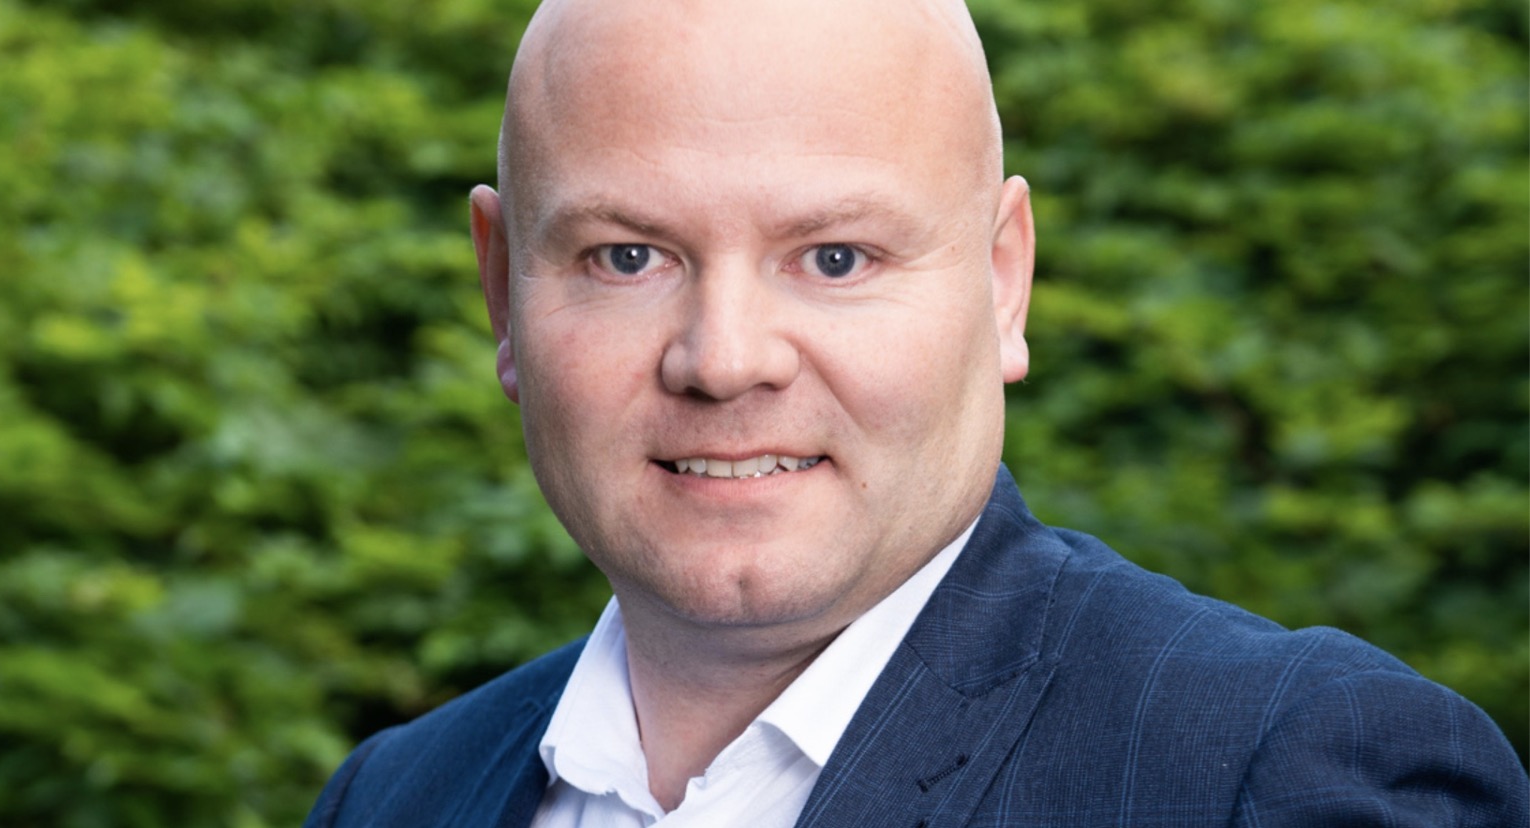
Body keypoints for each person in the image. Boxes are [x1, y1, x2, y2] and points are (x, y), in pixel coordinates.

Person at [303, 0, 1529, 825]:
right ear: (503, 291)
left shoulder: (1283, 778)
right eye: (628, 257)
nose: (723, 361)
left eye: (834, 258)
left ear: (1003, 282)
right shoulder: (393, 798)